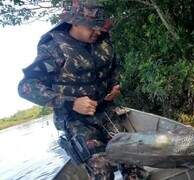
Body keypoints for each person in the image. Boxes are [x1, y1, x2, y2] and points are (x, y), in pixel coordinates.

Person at [18, 0, 144, 179]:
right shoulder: (53, 48)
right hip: (76, 120)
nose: (98, 31)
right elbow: (26, 87)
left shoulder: (104, 40)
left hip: (106, 112)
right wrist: (71, 103)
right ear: (75, 22)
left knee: (133, 162)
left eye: (100, 26)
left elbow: (116, 67)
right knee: (103, 171)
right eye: (92, 26)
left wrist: (116, 86)